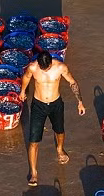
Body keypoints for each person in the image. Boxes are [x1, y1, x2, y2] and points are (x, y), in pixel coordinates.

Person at [20, 50, 86, 179]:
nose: (44, 70)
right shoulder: (33, 67)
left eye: (46, 68)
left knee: (59, 130)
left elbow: (72, 82)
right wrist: (22, 91)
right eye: (41, 68)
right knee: (33, 140)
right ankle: (34, 173)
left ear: (50, 63)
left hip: (56, 104)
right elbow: (27, 77)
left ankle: (60, 150)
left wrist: (80, 102)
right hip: (38, 105)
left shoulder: (60, 67)